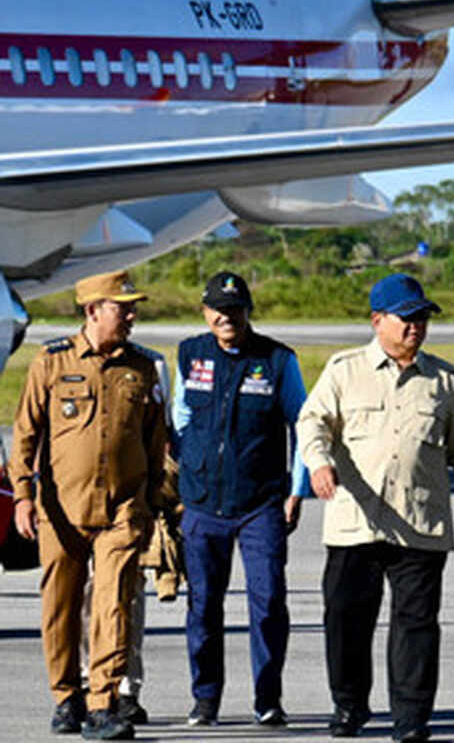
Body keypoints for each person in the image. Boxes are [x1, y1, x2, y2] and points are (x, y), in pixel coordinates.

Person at [296, 273, 454, 742]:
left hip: (419, 524)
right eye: (406, 318)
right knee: (346, 620)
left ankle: (410, 719)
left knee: (416, 628)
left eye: (422, 318)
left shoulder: (443, 378)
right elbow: (312, 422)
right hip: (355, 523)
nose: (416, 327)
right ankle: (349, 707)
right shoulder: (344, 370)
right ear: (377, 320)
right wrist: (319, 464)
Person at [8, 270, 167, 740]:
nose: (132, 315)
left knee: (112, 603)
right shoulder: (51, 362)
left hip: (123, 507)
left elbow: (155, 440)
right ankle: (66, 696)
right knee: (59, 605)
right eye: (123, 307)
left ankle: (103, 702)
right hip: (61, 509)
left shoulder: (142, 367)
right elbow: (25, 434)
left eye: (133, 306)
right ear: (93, 310)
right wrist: (22, 496)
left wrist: (157, 502)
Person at [173, 271, 308, 727]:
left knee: (268, 601)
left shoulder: (276, 359)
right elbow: (181, 415)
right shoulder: (190, 354)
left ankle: (267, 698)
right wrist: (187, 473)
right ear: (205, 311)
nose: (226, 317)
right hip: (202, 503)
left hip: (261, 504)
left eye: (235, 309)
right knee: (203, 605)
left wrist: (297, 489)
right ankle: (205, 699)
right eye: (218, 309)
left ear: (248, 312)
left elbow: (302, 425)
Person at [79, 343, 174, 727]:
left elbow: (163, 431)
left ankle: (125, 687)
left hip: (128, 499)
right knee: (86, 591)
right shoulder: (62, 361)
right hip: (79, 498)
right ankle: (88, 679)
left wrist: (161, 497)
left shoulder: (151, 363)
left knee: (126, 591)